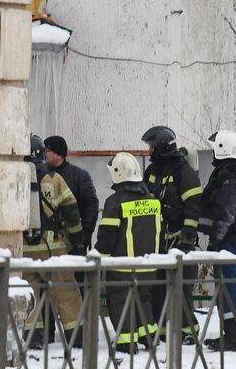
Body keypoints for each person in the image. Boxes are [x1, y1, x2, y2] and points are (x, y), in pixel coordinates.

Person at [198, 130, 236, 352]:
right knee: (225, 285)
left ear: (223, 148)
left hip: (229, 240)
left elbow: (226, 213)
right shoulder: (232, 174)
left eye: (216, 147)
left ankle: (235, 337)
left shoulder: (230, 177)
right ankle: (231, 334)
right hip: (234, 239)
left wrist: (216, 239)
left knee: (229, 284)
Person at [22, 134, 85, 350]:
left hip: (24, 251)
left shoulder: (15, 177)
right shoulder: (55, 179)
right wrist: (78, 243)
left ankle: (34, 339)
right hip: (52, 249)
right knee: (66, 293)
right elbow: (72, 212)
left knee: (31, 295)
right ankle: (77, 338)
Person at [95, 152, 162, 355]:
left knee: (119, 300)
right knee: (143, 298)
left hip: (123, 267)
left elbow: (107, 236)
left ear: (118, 173)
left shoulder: (115, 202)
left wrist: (99, 260)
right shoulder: (153, 200)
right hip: (149, 265)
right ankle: (148, 336)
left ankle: (126, 341)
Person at [141, 126, 202, 344]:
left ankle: (189, 331)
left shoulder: (182, 171)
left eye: (152, 147)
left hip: (178, 240)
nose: (149, 151)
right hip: (157, 239)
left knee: (180, 287)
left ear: (163, 147)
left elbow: (193, 206)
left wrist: (187, 237)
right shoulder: (151, 172)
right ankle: (162, 330)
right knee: (157, 286)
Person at [43, 136, 99, 252]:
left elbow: (91, 205)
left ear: (58, 155)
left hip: (73, 242)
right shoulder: (41, 176)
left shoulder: (79, 176)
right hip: (47, 244)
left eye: (47, 151)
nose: (44, 154)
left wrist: (85, 235)